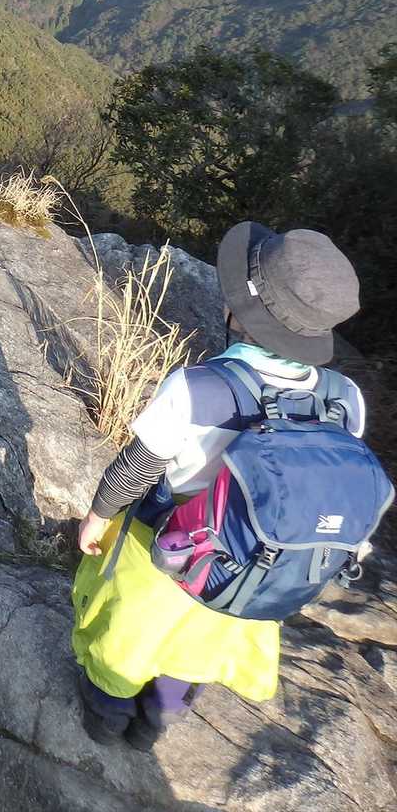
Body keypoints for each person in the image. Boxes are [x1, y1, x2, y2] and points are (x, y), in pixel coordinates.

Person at [71, 224, 366, 750]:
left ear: (239, 314)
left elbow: (137, 467)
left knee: (126, 639)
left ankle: (106, 719)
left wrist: (97, 516)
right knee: (194, 655)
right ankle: (152, 727)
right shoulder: (345, 398)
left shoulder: (196, 388)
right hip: (255, 570)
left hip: (164, 552)